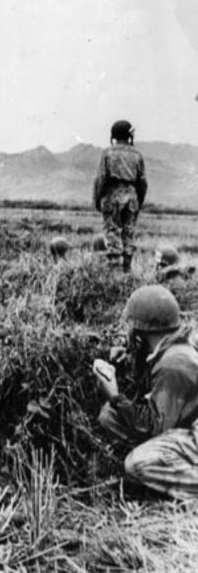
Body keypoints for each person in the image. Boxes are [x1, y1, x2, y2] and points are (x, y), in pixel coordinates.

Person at [95, 285, 198, 499]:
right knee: (110, 416)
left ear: (143, 330)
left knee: (137, 464)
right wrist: (133, 358)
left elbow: (156, 427)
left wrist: (115, 395)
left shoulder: (173, 363)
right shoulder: (172, 344)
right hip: (185, 425)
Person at [93, 120, 148, 272]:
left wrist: (98, 199)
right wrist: (139, 201)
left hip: (112, 195)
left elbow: (101, 179)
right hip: (132, 197)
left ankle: (115, 274)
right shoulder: (137, 154)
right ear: (129, 135)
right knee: (128, 235)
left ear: (114, 136)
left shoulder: (107, 153)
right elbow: (143, 182)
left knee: (112, 233)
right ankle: (127, 271)